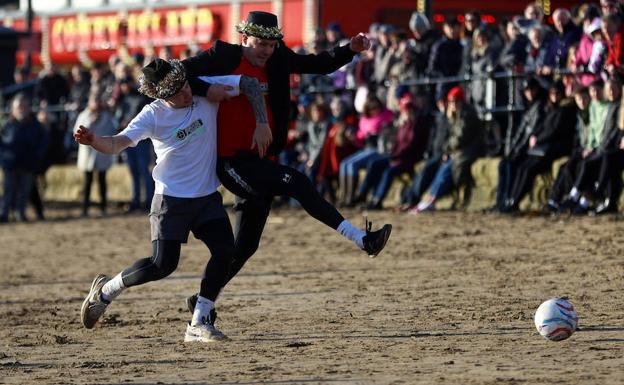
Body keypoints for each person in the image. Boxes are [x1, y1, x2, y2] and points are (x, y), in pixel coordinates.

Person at [181, 11, 392, 313]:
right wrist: (207, 89)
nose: (266, 50)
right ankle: (361, 239)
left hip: (261, 159)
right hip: (231, 162)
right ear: (244, 38)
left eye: (271, 43)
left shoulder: (277, 59)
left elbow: (317, 64)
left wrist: (350, 49)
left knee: (244, 247)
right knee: (297, 181)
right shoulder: (222, 55)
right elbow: (176, 72)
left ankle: (201, 301)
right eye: (260, 44)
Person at [77, 58, 267, 342]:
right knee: (162, 265)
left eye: (186, 86)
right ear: (160, 95)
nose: (186, 94)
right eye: (176, 93)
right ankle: (106, 291)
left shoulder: (204, 92)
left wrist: (262, 122)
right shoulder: (152, 114)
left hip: (205, 196)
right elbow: (118, 143)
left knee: (226, 251)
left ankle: (199, 321)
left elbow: (250, 83)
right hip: (171, 199)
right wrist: (94, 140)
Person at [0, 94, 47, 223]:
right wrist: (3, 157)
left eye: (24, 106)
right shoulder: (5, 124)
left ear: (28, 108)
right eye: (18, 106)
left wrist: (37, 156)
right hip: (10, 163)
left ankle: (20, 213)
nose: (21, 109)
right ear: (13, 108)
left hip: (28, 164)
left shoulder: (35, 125)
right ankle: (3, 214)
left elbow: (43, 142)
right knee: (8, 191)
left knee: (24, 192)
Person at [74, 90, 117, 217]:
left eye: (98, 101)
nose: (97, 103)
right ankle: (85, 208)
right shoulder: (84, 115)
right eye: (94, 101)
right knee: (87, 181)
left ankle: (103, 207)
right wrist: (91, 122)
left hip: (101, 153)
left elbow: (111, 131)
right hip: (87, 153)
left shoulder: (106, 116)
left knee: (102, 181)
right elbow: (76, 131)